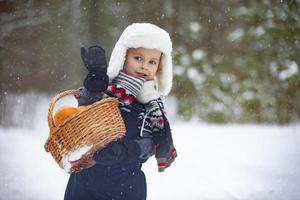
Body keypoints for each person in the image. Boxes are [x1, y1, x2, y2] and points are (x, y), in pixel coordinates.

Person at [64, 23, 177, 200]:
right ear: (123, 57)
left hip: (127, 183)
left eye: (152, 62)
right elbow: (85, 110)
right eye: (138, 58)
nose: (144, 66)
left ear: (160, 67)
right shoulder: (107, 88)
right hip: (88, 176)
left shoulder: (153, 104)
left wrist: (126, 151)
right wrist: (95, 80)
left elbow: (151, 144)